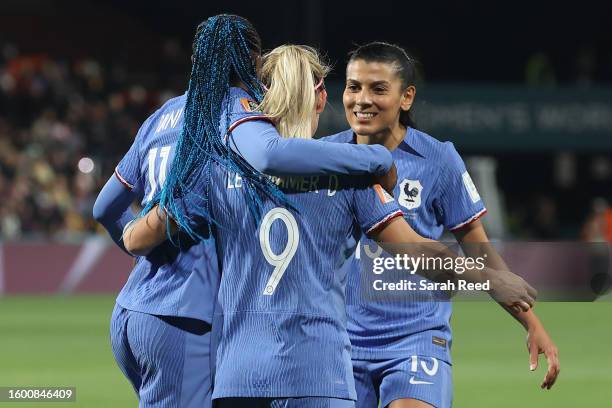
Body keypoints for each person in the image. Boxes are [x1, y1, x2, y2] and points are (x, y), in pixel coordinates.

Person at [123, 44, 535, 408]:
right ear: (321, 96)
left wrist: (132, 229)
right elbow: (420, 252)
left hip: (238, 374)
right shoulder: (350, 171)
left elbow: (139, 236)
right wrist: (488, 280)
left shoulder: (219, 166)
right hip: (317, 374)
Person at [93, 16, 401, 408]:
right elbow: (269, 154)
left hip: (132, 310)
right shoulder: (234, 110)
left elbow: (105, 208)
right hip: (185, 317)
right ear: (252, 62)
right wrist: (372, 156)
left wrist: (140, 241)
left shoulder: (164, 113)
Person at [322, 42, 560, 408]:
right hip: (337, 343)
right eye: (354, 86)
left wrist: (532, 323)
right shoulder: (325, 158)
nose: (362, 99)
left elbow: (478, 249)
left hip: (414, 340)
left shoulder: (438, 159)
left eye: (378, 89)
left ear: (407, 97)